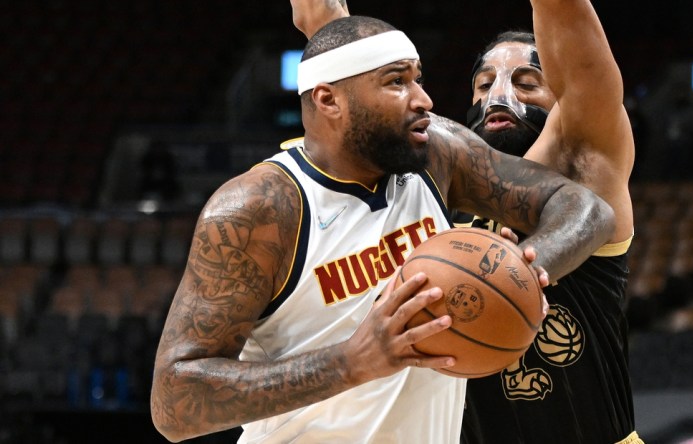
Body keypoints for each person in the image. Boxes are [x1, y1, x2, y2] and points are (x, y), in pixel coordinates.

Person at [150, 14, 615, 444]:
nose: (423, 100)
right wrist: (351, 361)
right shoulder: (260, 210)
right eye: (397, 82)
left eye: (419, 78)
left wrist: (523, 269)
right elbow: (174, 404)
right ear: (329, 100)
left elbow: (585, 208)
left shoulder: (438, 153)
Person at [292, 1, 640, 443]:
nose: (499, 95)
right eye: (483, 83)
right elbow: (366, 93)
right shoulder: (432, 177)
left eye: (528, 83)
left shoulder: (580, 162)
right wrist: (323, 19)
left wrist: (524, 268)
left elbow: (580, 62)